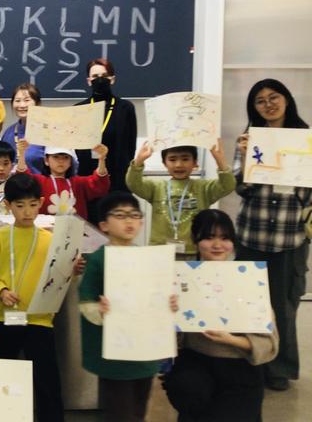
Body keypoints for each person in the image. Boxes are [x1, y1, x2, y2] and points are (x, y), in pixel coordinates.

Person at [0, 173, 80, 422]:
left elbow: (59, 274)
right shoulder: (0, 238)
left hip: (39, 319)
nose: (27, 212)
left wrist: (73, 267)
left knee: (47, 382)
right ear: (8, 205)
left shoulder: (50, 239)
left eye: (33, 204)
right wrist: (1, 290)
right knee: (3, 379)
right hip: (4, 318)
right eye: (20, 205)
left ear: (41, 202)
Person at [162, 209, 278, 422]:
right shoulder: (181, 278)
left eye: (225, 238)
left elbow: (269, 345)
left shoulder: (249, 279)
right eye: (209, 237)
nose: (217, 245)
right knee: (188, 387)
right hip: (195, 366)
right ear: (196, 240)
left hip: (239, 369)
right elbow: (169, 343)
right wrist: (170, 315)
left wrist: (229, 339)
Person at [232, 78, 311, 391]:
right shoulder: (249, 138)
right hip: (252, 234)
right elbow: (241, 188)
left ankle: (280, 368)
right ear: (254, 107)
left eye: (273, 97)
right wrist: (245, 159)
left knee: (284, 307)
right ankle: (251, 362)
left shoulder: (305, 139)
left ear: (286, 99)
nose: (268, 104)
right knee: (248, 303)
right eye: (260, 100)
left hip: (289, 238)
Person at [79, 192, 178, 422]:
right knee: (119, 411)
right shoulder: (99, 259)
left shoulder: (148, 258)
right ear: (104, 225)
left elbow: (155, 296)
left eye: (135, 215)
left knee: (139, 409)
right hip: (114, 352)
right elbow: (86, 300)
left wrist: (168, 304)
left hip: (144, 349)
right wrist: (99, 310)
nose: (129, 221)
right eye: (120, 215)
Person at [126, 141, 236, 256]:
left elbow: (227, 186)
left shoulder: (204, 188)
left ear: (195, 162)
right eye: (172, 159)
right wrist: (138, 162)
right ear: (164, 163)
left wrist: (220, 161)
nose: (179, 164)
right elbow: (133, 183)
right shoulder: (156, 187)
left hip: (193, 251)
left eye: (185, 159)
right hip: (159, 250)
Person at [75, 59, 138, 222]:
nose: (100, 80)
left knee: (116, 230)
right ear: (88, 81)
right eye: (95, 76)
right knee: (90, 232)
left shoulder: (125, 108)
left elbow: (130, 148)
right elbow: (77, 149)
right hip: (88, 183)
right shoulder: (79, 109)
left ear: (112, 79)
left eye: (104, 75)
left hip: (117, 183)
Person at [15, 140, 110, 220]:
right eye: (56, 157)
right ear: (46, 161)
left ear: (70, 162)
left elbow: (99, 183)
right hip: (46, 231)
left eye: (65, 157)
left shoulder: (79, 183)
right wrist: (22, 153)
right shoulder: (39, 181)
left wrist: (102, 159)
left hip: (75, 231)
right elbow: (22, 180)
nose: (61, 161)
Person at [0, 83, 48, 174]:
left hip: (41, 182)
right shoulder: (9, 132)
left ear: (37, 103)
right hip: (12, 182)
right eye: (17, 101)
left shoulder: (48, 131)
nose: (21, 105)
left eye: (26, 100)